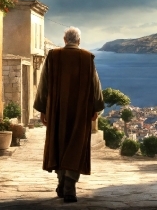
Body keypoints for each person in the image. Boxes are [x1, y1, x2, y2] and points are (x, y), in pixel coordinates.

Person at [33, 26, 104, 203]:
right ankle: (69, 186)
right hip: (80, 111)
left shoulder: (53, 56)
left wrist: (43, 108)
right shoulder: (87, 57)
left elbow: (44, 84)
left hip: (57, 109)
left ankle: (62, 182)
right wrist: (96, 107)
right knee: (76, 145)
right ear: (78, 41)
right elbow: (95, 85)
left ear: (65, 40)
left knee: (59, 143)